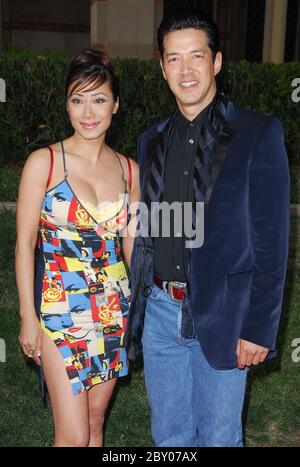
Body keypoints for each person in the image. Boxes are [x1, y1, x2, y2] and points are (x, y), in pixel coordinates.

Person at [126, 10, 290, 447]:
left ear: (216, 61)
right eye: (174, 59)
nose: (186, 70)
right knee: (169, 438)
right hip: (161, 311)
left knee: (218, 437)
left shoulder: (258, 133)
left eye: (196, 56)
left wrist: (258, 327)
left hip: (225, 313)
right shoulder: (151, 140)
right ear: (162, 68)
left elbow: (272, 245)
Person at [15, 48, 139, 447]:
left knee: (96, 422)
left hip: (114, 309)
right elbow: (24, 244)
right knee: (72, 435)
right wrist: (27, 317)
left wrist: (137, 313)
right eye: (77, 99)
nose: (88, 112)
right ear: (67, 104)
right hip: (59, 311)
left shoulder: (129, 170)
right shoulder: (44, 163)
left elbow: (132, 246)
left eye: (99, 99)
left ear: (116, 105)